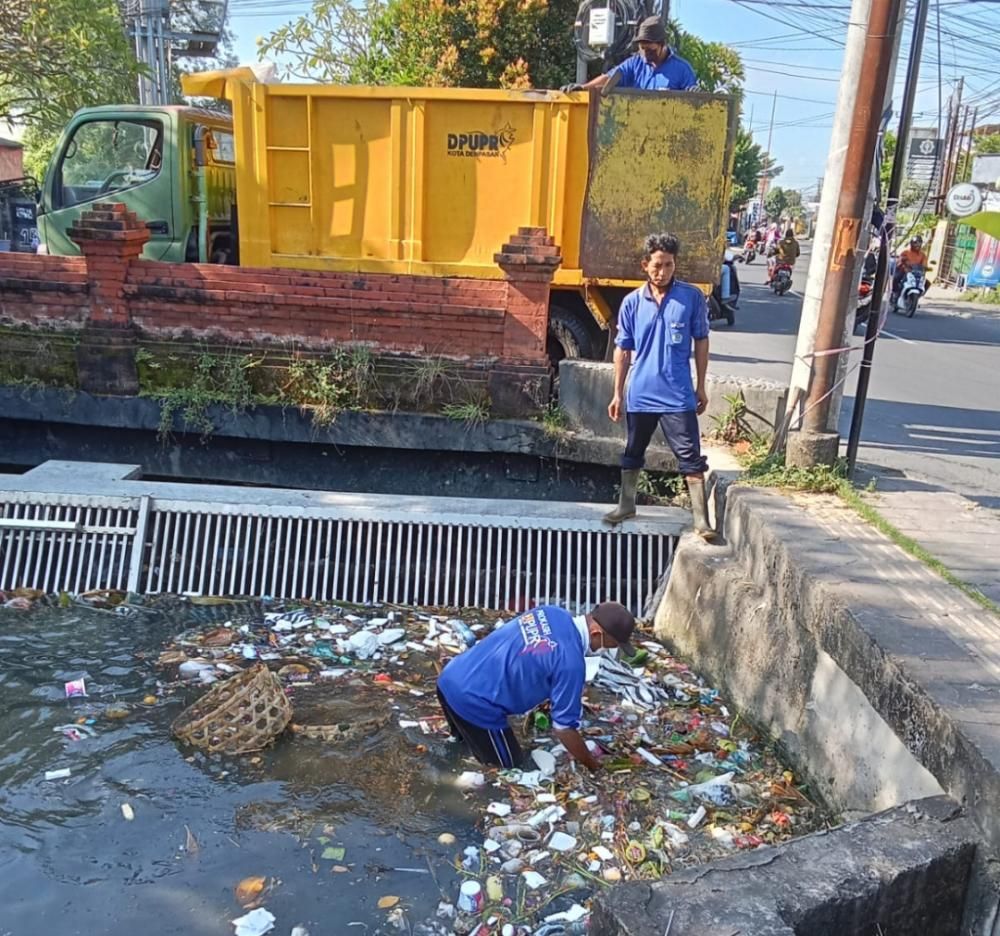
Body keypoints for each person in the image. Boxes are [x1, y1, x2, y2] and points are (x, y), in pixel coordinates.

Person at [435, 602, 637, 771]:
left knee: (460, 744)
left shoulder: (551, 612)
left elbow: (531, 655)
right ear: (596, 633)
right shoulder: (571, 663)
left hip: (451, 677)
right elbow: (564, 728)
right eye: (613, 644)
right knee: (508, 771)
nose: (611, 649)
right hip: (475, 702)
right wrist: (593, 766)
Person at [604, 233, 715, 538]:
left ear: (675, 264)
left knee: (691, 455)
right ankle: (626, 505)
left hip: (678, 395)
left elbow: (701, 340)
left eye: (668, 265)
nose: (662, 271)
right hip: (640, 393)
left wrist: (701, 385)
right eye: (657, 265)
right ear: (645, 265)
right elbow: (623, 349)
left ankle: (701, 520)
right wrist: (617, 393)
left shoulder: (691, 298)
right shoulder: (631, 303)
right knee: (632, 452)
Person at [563, 17, 697, 93]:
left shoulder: (683, 70)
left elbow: (694, 100)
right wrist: (583, 88)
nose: (645, 53)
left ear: (662, 44)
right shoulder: (635, 63)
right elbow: (609, 78)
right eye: (642, 48)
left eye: (650, 50)